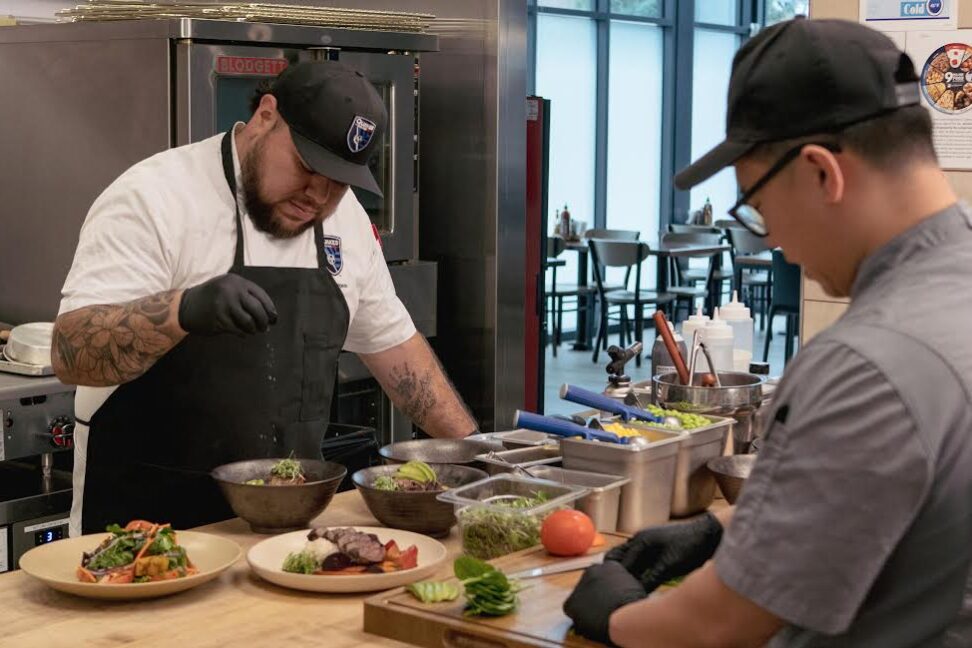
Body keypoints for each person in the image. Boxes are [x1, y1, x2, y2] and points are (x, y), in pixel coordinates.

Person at [564, 17, 972, 647]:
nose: (773, 240)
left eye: (756, 203)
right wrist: (727, 528)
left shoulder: (868, 362)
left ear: (820, 172)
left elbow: (718, 625)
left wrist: (613, 618)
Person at [52, 61, 477, 536]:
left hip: (285, 536)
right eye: (308, 165)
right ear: (265, 117)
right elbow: (72, 354)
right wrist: (180, 312)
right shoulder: (154, 198)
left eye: (340, 181)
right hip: (146, 536)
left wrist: (484, 461)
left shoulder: (346, 221)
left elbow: (400, 355)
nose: (318, 194)